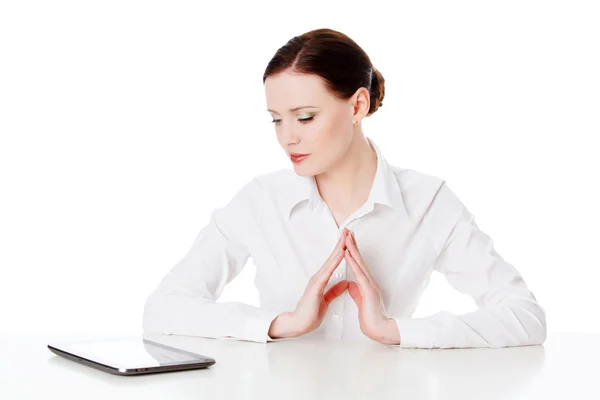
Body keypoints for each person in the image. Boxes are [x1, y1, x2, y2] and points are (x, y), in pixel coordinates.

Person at [142, 28, 547, 349]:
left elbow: (524, 316)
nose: (287, 139)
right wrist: (282, 324)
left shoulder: (428, 202)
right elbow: (164, 308)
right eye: (276, 120)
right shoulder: (260, 201)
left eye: (305, 117)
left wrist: (394, 331)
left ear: (357, 106)